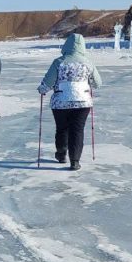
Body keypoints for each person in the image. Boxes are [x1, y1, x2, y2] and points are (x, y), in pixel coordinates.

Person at [37, 33, 102, 171]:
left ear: (66, 45)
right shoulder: (88, 63)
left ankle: (61, 154)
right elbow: (97, 83)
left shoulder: (59, 62)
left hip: (60, 102)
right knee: (77, 130)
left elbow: (48, 82)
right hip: (82, 103)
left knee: (62, 128)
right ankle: (75, 161)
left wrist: (42, 89)